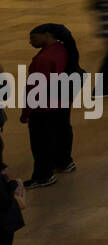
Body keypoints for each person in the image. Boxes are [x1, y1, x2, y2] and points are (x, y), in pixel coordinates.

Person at [20, 24, 78, 189]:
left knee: (41, 143)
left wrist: (26, 113)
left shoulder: (44, 59)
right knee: (62, 132)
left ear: (47, 35)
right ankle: (64, 162)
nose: (30, 42)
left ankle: (43, 175)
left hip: (44, 106)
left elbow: (35, 88)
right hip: (61, 101)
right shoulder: (62, 49)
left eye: (33, 37)